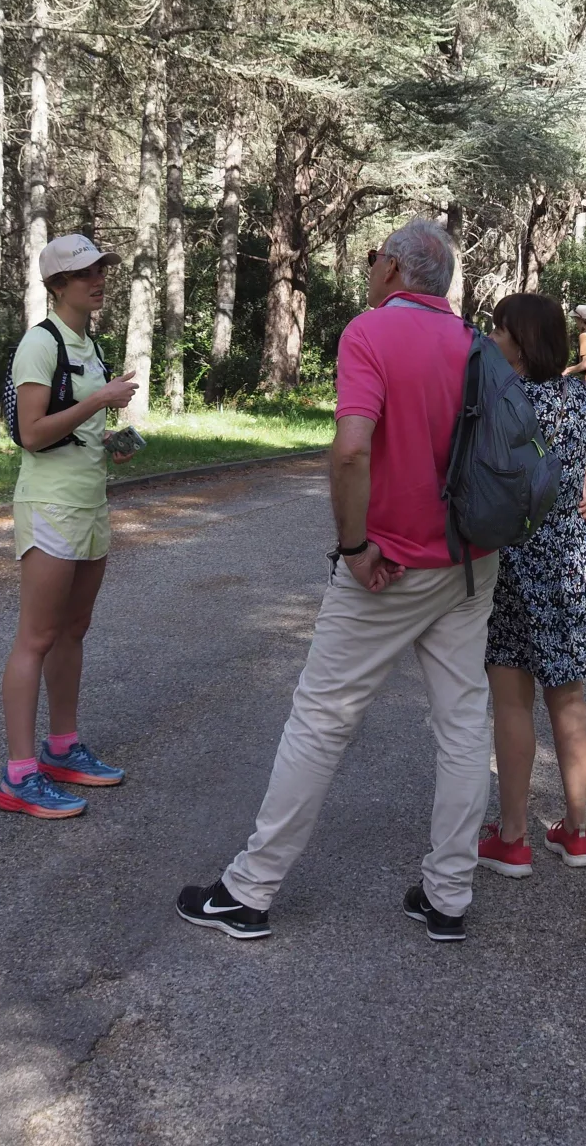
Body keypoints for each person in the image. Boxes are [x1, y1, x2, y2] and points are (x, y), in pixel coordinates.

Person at [178, 218, 497, 942]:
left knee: (321, 719)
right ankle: (447, 898)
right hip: (470, 561)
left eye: (372, 259)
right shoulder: (476, 343)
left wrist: (354, 546)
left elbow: (351, 453)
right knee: (460, 724)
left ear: (391, 268)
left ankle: (249, 891)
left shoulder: (370, 333)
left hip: (386, 565)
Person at [477, 293, 586, 878]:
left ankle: (514, 839)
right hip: (569, 561)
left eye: (499, 330)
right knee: (569, 697)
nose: (492, 338)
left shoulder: (497, 398)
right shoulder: (576, 396)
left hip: (508, 561)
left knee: (511, 701)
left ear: (519, 342)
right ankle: (576, 833)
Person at [0, 233, 141, 819]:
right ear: (56, 285)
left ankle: (61, 748)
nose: (98, 280)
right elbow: (31, 433)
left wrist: (110, 440)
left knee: (74, 631)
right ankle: (19, 774)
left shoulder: (88, 343)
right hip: (50, 506)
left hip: (89, 502)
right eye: (84, 275)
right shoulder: (40, 343)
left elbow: (72, 427)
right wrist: (99, 399)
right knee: (37, 636)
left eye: (101, 270)